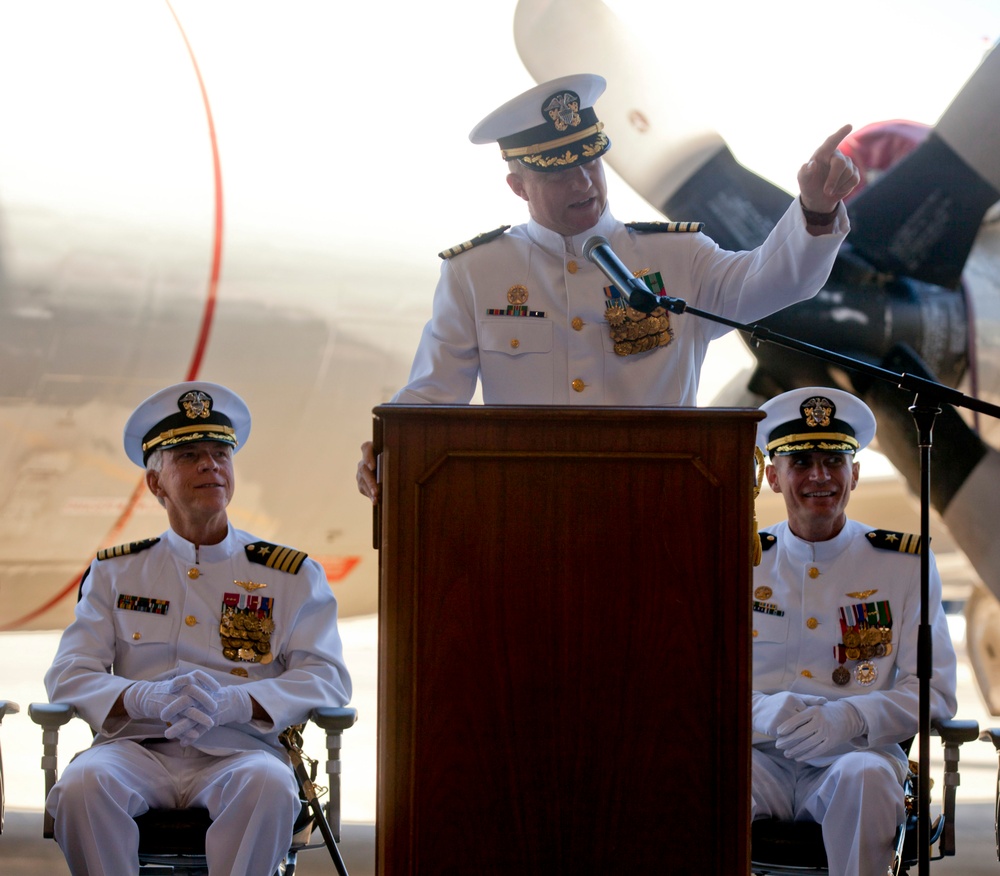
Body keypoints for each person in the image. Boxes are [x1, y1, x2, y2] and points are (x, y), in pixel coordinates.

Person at [357, 72, 860, 501]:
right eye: (558, 173)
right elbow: (434, 394)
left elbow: (773, 281)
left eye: (590, 162)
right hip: (530, 510)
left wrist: (814, 212)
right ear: (518, 186)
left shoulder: (678, 256)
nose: (583, 183)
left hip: (657, 502)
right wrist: (390, 446)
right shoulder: (477, 272)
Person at [43, 381, 352, 876]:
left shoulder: (290, 575)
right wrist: (141, 698)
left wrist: (240, 703)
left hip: (240, 749)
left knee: (269, 786)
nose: (211, 465)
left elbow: (326, 678)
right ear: (156, 482)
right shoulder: (117, 572)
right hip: (134, 750)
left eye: (219, 453)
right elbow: (70, 674)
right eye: (188, 455)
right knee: (82, 786)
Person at [750, 386, 957, 876]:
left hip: (854, 757)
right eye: (800, 462)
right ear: (773, 477)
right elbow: (690, 683)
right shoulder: (736, 557)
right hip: (758, 758)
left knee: (866, 779)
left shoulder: (903, 564)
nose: (819, 476)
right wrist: (759, 711)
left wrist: (852, 719)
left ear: (855, 474)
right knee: (694, 778)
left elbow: (936, 695)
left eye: (834, 461)